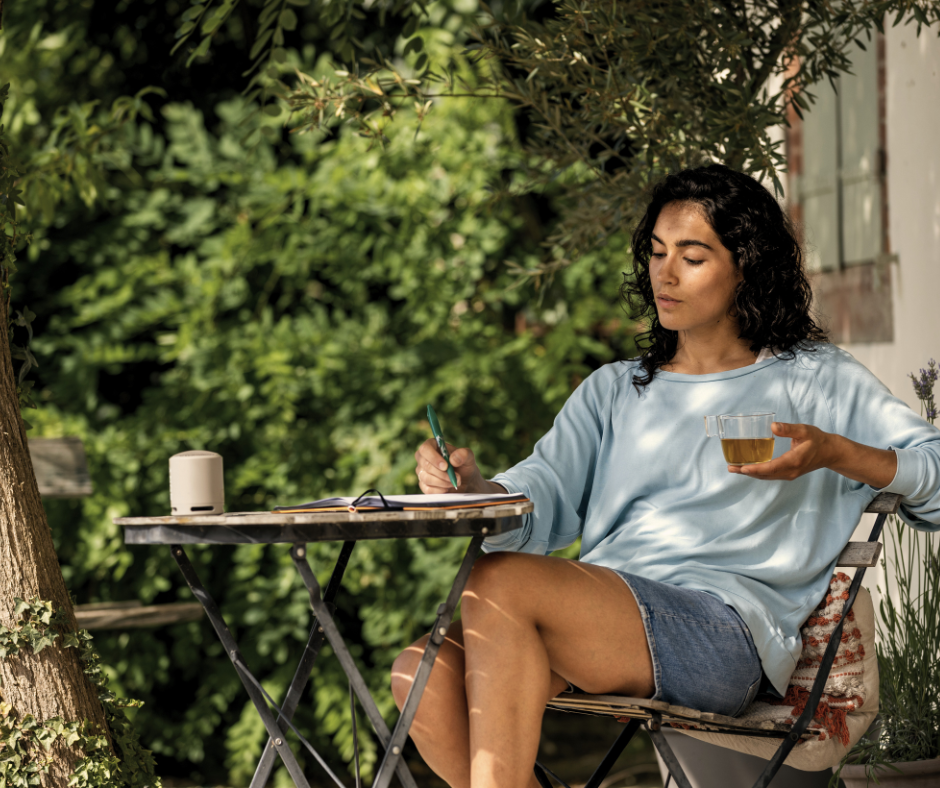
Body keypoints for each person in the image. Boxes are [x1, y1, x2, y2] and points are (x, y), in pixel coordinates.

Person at [390, 164, 940, 788]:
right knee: (420, 675)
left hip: (724, 637)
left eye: (692, 256)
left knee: (498, 581)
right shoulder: (614, 391)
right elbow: (537, 494)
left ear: (746, 266)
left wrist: (836, 452)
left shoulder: (813, 380)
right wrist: (474, 491)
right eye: (655, 253)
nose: (664, 273)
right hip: (608, 621)